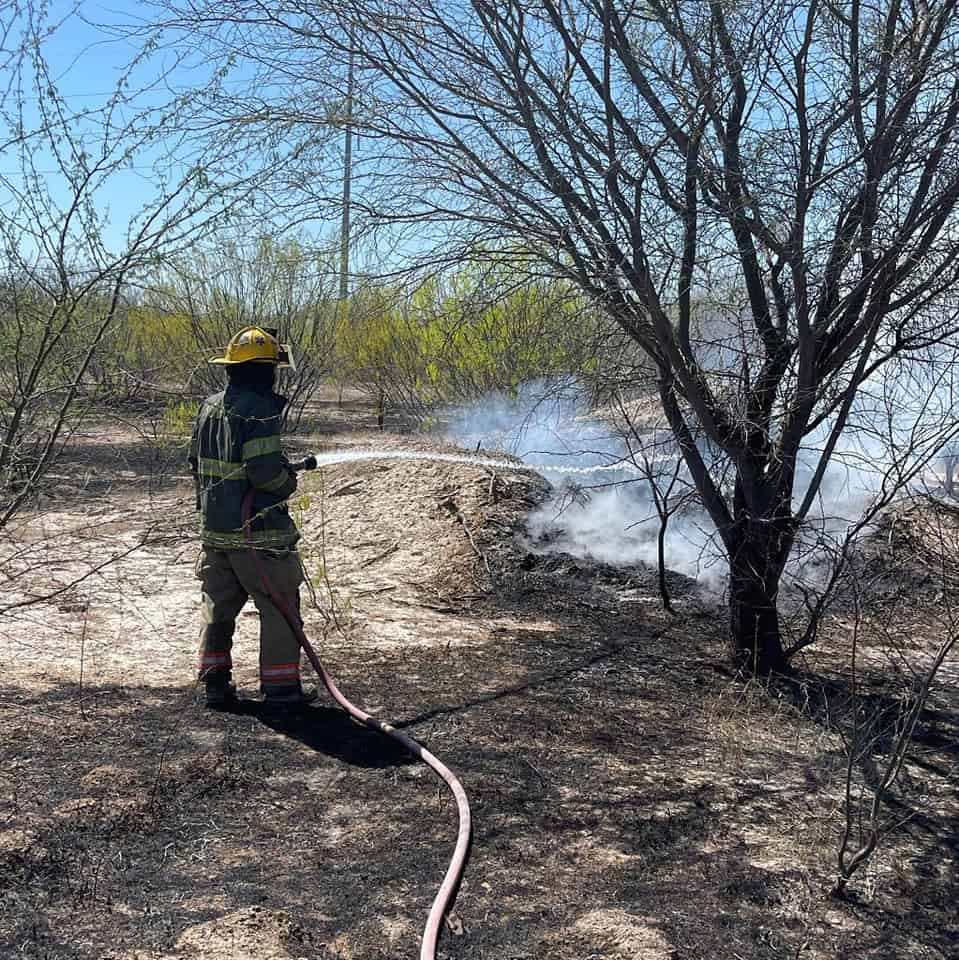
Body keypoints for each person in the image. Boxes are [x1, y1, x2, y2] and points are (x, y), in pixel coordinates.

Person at [188, 325, 315, 708]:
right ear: (264, 371)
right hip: (257, 534)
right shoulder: (260, 410)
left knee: (217, 606)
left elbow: (196, 462)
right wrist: (285, 481)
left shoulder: (210, 405)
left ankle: (214, 683)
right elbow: (262, 472)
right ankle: (281, 690)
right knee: (279, 607)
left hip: (215, 532)